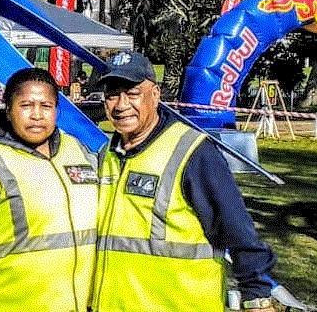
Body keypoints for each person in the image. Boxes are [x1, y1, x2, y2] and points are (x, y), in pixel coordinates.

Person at [89, 51, 276, 312]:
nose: (121, 105)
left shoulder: (193, 152)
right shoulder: (105, 154)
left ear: (155, 94)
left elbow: (237, 229)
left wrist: (257, 297)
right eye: (112, 94)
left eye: (132, 93)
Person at [0, 67, 97, 312]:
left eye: (46, 106)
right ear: (8, 110)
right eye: (26, 105)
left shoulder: (80, 152)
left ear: (57, 110)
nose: (36, 115)